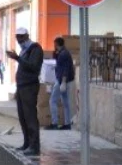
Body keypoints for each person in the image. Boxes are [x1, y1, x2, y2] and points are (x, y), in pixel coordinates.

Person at [6, 27, 44, 156]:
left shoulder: (35, 49)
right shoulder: (24, 50)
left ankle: (34, 146)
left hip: (29, 86)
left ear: (27, 36)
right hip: (22, 87)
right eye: (17, 37)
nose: (19, 39)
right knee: (23, 117)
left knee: (30, 117)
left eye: (21, 37)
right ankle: (27, 143)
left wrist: (17, 58)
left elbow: (33, 67)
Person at [48, 36, 75, 131]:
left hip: (61, 81)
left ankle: (54, 123)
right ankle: (67, 123)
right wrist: (55, 52)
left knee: (52, 101)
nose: (53, 45)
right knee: (65, 102)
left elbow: (66, 68)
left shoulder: (64, 54)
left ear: (56, 44)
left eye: (54, 44)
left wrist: (63, 82)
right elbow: (55, 58)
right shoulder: (62, 52)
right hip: (63, 80)